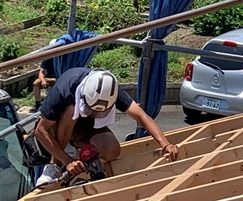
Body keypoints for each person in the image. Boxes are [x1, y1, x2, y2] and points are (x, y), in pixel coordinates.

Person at [34, 68, 178, 186]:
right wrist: (67, 161)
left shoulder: (110, 89)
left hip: (86, 124)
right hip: (60, 125)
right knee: (71, 110)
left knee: (112, 151)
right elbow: (40, 131)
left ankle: (80, 150)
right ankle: (54, 165)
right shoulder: (65, 89)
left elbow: (141, 116)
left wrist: (165, 144)